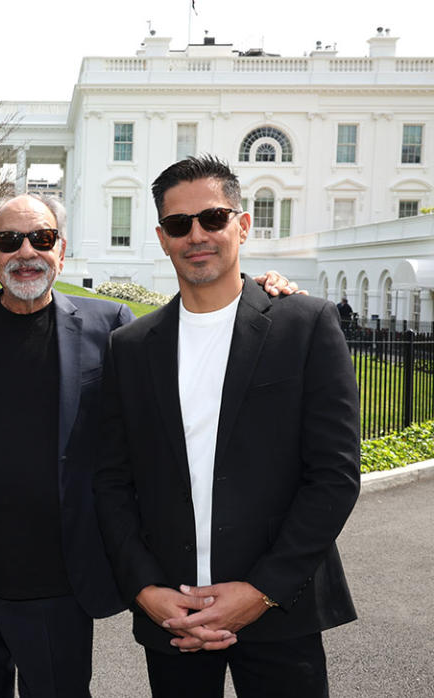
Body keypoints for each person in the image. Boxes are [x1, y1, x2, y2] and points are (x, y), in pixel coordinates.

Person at [0, 193, 297, 697]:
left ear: (61, 249)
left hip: (55, 582)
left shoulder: (111, 327)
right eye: (8, 241)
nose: (25, 252)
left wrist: (256, 290)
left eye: (40, 238)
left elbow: (188, 340)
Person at [94, 155, 360, 697]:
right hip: (175, 613)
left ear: (241, 224)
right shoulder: (132, 347)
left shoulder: (304, 325)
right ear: (163, 238)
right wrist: (146, 588)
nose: (197, 234)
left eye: (213, 218)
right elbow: (112, 482)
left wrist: (260, 591)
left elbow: (334, 475)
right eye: (178, 224)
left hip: (281, 608)